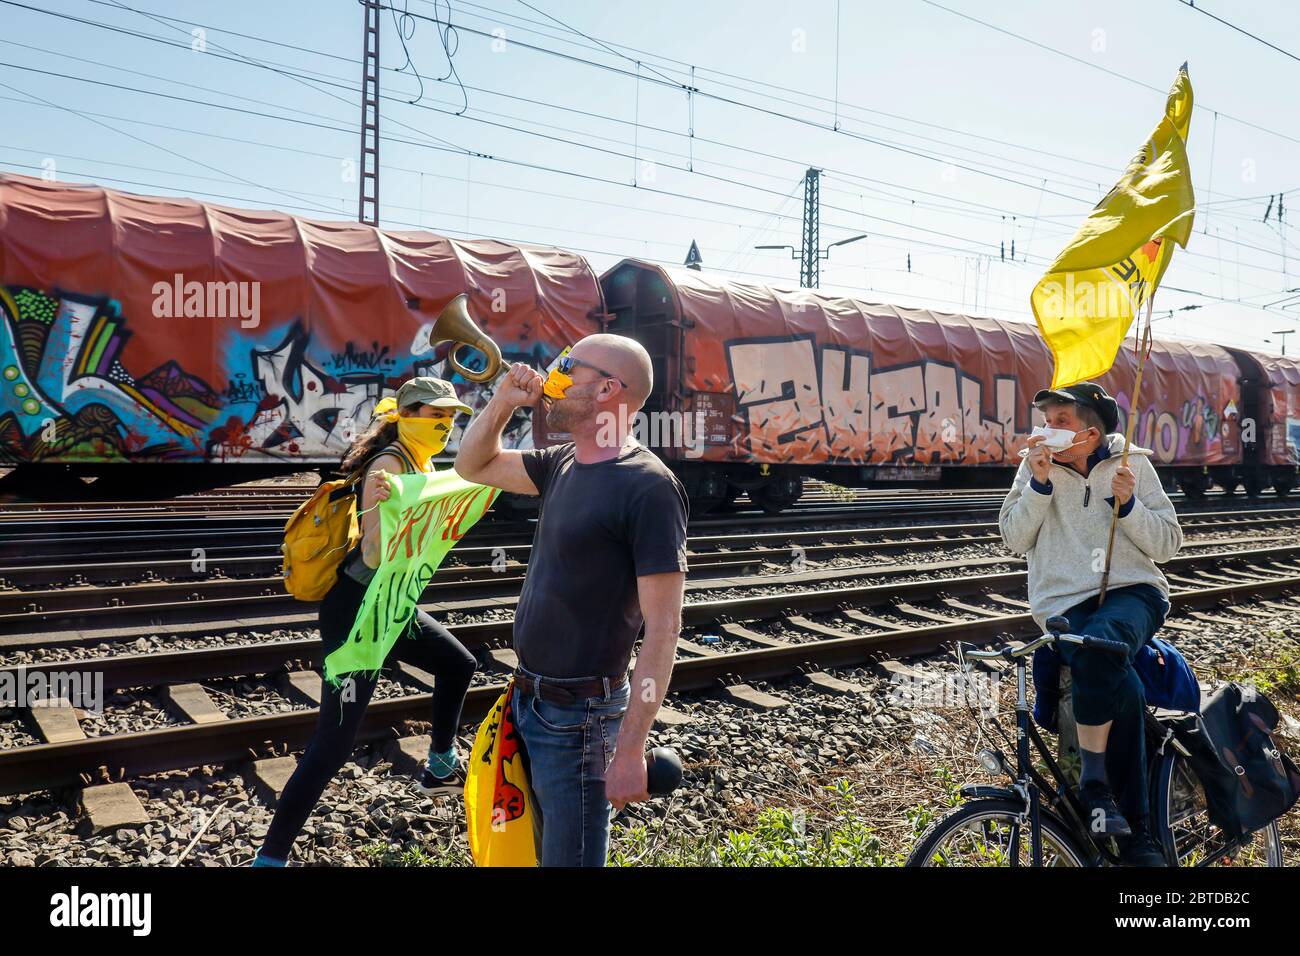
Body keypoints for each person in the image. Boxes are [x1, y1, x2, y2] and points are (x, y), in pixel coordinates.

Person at [455, 333, 688, 867]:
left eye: (566, 366)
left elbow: (664, 631)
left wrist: (630, 750)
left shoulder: (648, 488)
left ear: (608, 388)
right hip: (528, 699)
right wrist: (502, 401)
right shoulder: (562, 463)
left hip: (580, 721)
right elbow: (473, 465)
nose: (551, 377)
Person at [251, 377, 479, 866]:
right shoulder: (389, 464)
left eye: (451, 417)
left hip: (390, 605)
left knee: (458, 664)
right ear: (406, 414)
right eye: (435, 415)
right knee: (334, 743)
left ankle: (440, 766)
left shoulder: (422, 462)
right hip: (357, 611)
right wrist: (391, 507)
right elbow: (374, 554)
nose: (445, 425)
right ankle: (270, 858)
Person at [999, 381, 1183, 867]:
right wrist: (1038, 486)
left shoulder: (1132, 464)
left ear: (1090, 431)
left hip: (1132, 592)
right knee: (1116, 680)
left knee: (1101, 645)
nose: (1047, 431)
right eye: (1044, 421)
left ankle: (1096, 785)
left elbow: (1167, 545)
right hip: (1062, 598)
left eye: (1060, 422)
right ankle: (1139, 836)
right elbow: (1014, 538)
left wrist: (1129, 506)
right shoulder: (1034, 466)